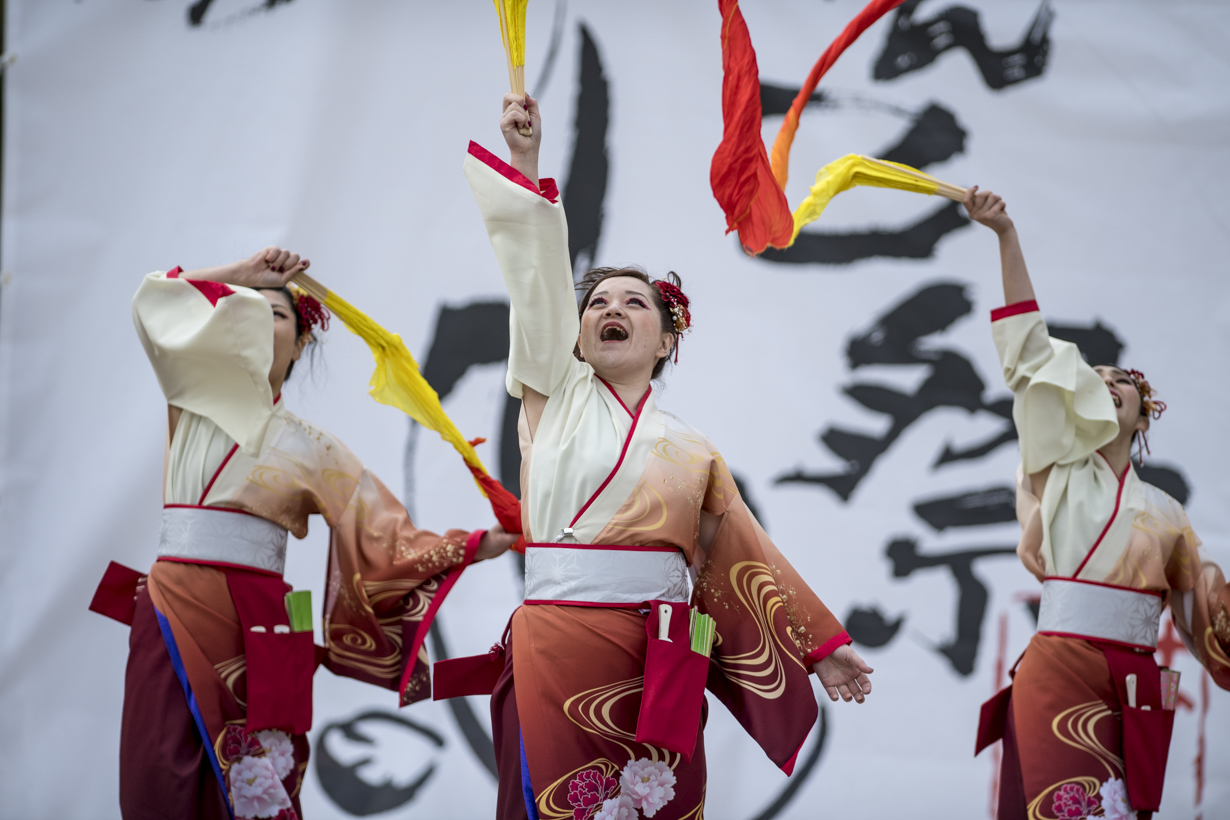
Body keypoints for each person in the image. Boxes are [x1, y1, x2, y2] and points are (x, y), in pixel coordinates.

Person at [456, 94, 873, 820]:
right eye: (596, 305)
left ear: (666, 340)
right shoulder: (553, 394)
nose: (611, 310)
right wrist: (526, 162)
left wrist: (817, 645)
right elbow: (535, 283)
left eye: (634, 304)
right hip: (557, 641)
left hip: (659, 657)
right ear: (575, 338)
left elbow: (741, 554)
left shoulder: (691, 449)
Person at [91, 248, 517, 820]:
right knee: (157, 771)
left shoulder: (314, 448)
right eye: (246, 308)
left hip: (262, 618)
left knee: (259, 784)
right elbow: (154, 300)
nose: (260, 317)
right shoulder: (190, 391)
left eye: (277, 313)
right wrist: (243, 275)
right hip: (176, 599)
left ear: (301, 341)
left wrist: (471, 546)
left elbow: (383, 536)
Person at [965, 187, 1230, 819]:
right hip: (1058, 666)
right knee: (1072, 808)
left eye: (1124, 383)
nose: (1108, 384)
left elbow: (1208, 615)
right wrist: (1005, 235)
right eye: (1098, 378)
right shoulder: (1054, 470)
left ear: (1142, 419)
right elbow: (1030, 356)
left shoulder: (1166, 514)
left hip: (1133, 685)